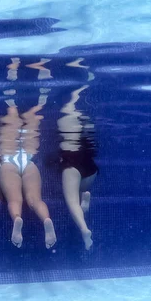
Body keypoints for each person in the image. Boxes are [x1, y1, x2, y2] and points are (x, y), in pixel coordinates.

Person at [0, 102, 56, 249]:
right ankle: (46, 219)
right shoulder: (29, 134)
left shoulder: (1, 130)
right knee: (35, 200)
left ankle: (17, 219)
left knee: (15, 200)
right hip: (28, 162)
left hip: (8, 162)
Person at [58, 71, 98, 250]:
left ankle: (84, 229)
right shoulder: (87, 120)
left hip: (71, 165)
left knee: (71, 202)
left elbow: (72, 99)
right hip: (91, 167)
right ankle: (84, 200)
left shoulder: (66, 113)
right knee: (79, 190)